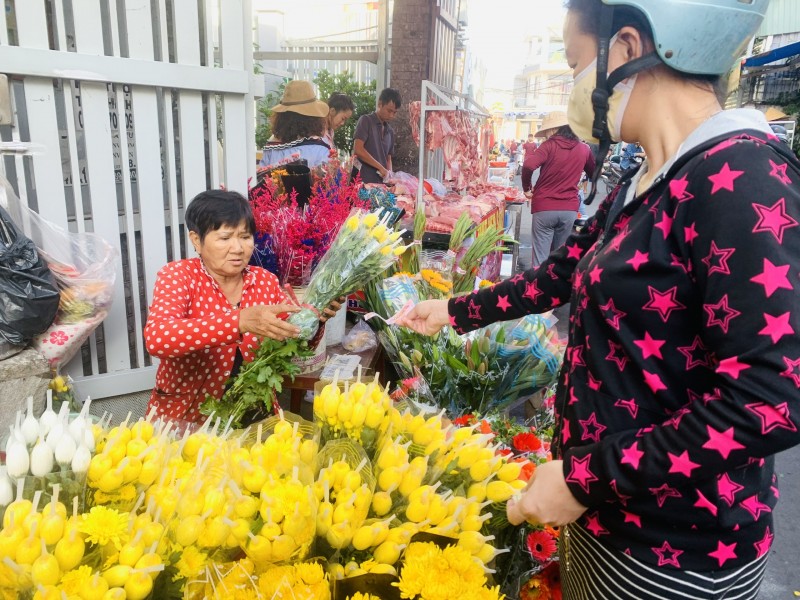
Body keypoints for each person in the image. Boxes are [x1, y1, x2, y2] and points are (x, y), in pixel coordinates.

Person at [398, 0, 798, 598]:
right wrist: (456, 312)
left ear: (629, 50)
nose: (574, 85)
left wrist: (587, 479)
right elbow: (564, 273)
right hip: (606, 520)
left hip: (676, 550)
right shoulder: (647, 174)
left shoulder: (741, 177)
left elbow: (769, 400)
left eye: (575, 62)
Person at [144, 190, 340, 423]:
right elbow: (158, 338)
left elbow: (292, 344)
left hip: (254, 414)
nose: (238, 248)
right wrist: (238, 321)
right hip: (186, 418)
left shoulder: (265, 281)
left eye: (245, 237)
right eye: (225, 238)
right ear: (196, 240)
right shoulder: (179, 276)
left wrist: (315, 320)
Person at [524, 112, 595, 267]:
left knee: (540, 260)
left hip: (544, 208)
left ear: (554, 129)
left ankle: (537, 289)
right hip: (568, 209)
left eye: (548, 131)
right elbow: (594, 173)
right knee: (558, 258)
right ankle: (554, 289)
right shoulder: (584, 148)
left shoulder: (548, 145)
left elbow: (529, 165)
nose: (547, 134)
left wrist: (527, 188)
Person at [260, 80, 332, 169]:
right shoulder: (320, 149)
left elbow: (262, 177)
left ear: (282, 117)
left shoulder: (271, 147)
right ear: (314, 118)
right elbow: (328, 180)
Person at [352, 88, 401, 183]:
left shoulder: (390, 131)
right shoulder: (366, 121)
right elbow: (358, 149)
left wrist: (389, 175)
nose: (391, 115)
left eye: (394, 112)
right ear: (380, 104)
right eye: (389, 111)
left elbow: (388, 158)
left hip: (381, 185)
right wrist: (380, 168)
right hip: (363, 182)